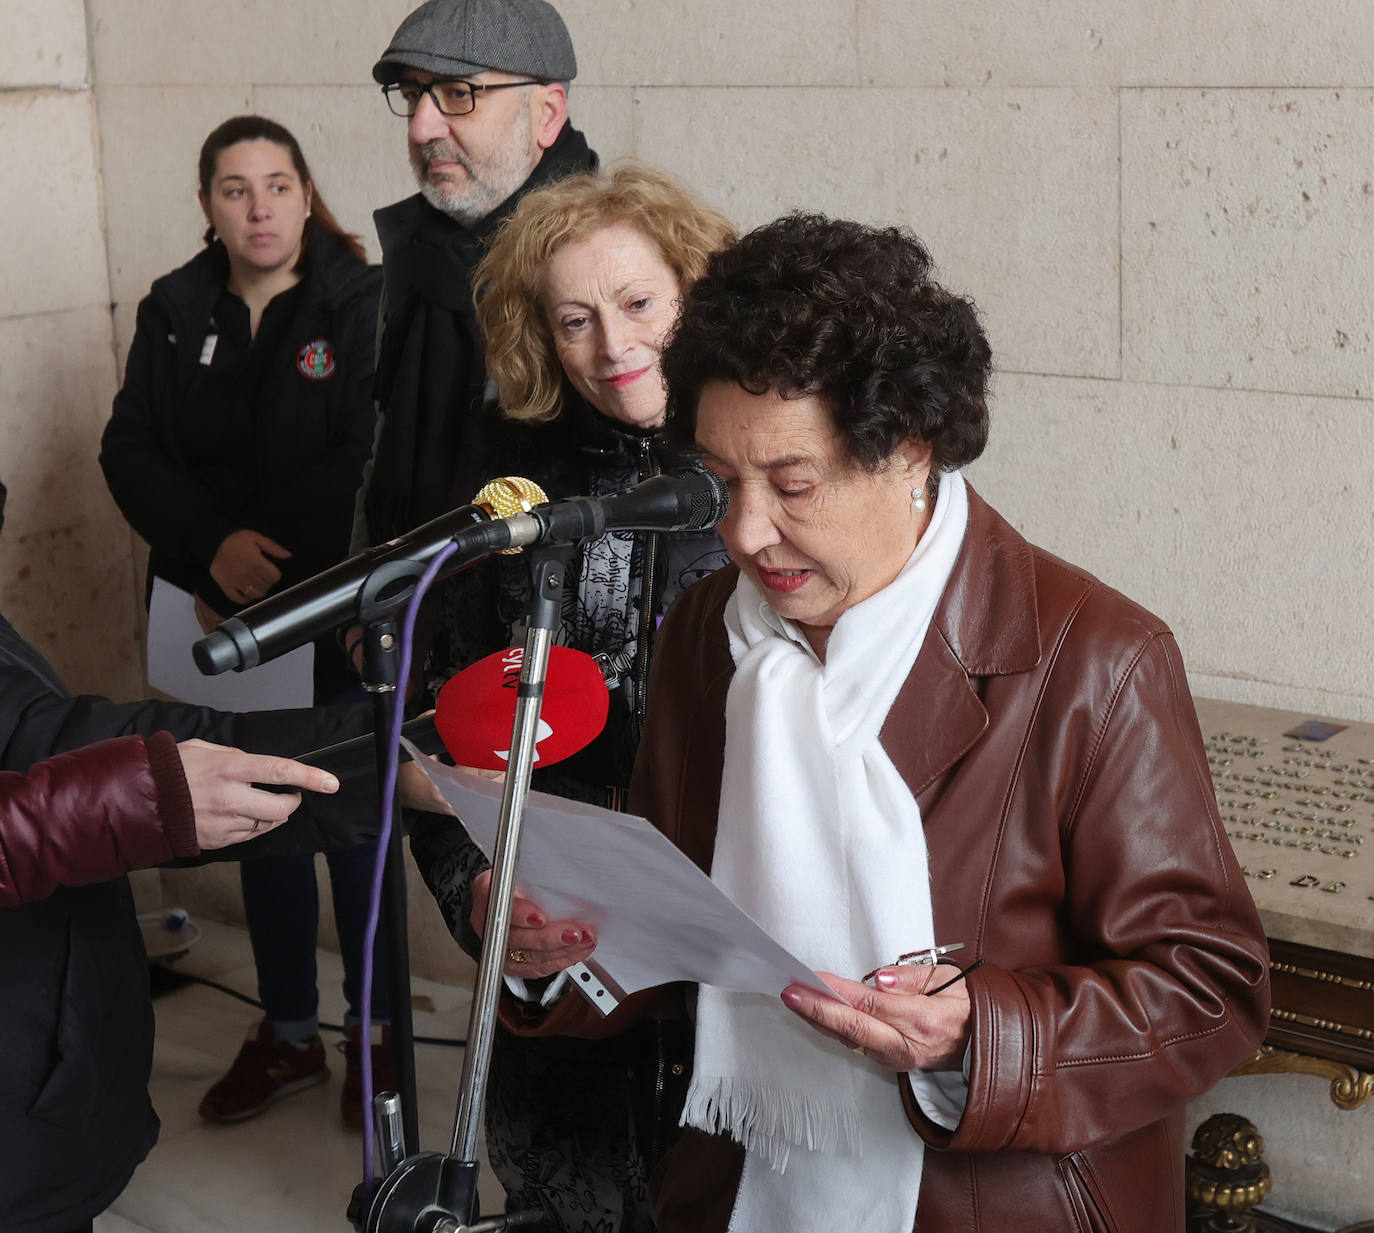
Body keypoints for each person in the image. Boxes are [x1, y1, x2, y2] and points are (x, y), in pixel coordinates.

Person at [472, 215, 1273, 1232]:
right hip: (747, 1184)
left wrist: (978, 1039)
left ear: (909, 449)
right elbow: (682, 924)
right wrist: (555, 944)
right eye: (720, 484)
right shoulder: (712, 634)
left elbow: (1212, 988)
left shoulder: (1095, 660)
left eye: (793, 485)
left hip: (1001, 1200)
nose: (747, 533)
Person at [406, 164, 735, 1232]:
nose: (613, 346)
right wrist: (477, 895)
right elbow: (450, 733)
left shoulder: (769, 476)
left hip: (742, 992)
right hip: (567, 1011)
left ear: (695, 295)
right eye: (575, 319)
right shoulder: (511, 495)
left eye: (640, 305)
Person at [99, 114, 389, 1128]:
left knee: (354, 824)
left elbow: (359, 455)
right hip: (211, 608)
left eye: (277, 184)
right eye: (235, 188)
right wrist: (210, 547)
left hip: (335, 606)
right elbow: (129, 450)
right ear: (208, 207)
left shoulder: (362, 302)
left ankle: (376, 1036)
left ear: (308, 195)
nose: (258, 206)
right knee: (254, 819)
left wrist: (264, 564)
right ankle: (291, 1034)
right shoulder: (176, 309)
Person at [356, 0, 598, 556]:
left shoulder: (602, 259)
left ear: (547, 114)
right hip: (408, 606)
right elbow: (382, 449)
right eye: (415, 95)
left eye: (459, 93)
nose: (421, 127)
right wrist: (367, 596)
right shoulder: (416, 251)